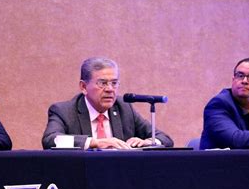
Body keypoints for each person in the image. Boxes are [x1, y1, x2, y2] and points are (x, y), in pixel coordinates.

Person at [41, 57, 174, 149]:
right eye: (102, 83)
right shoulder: (64, 111)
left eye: (114, 83)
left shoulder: (124, 108)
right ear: (83, 87)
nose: (110, 89)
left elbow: (164, 138)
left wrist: (147, 142)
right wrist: (95, 142)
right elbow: (52, 140)